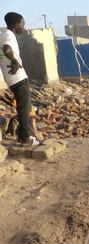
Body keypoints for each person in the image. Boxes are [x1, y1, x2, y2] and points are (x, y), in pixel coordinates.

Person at [0, 12, 39, 146]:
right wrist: (15, 61)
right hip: (17, 77)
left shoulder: (5, 35)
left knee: (24, 107)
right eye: (22, 24)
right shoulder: (7, 35)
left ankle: (22, 136)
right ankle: (24, 137)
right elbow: (6, 49)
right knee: (24, 108)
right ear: (16, 24)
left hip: (12, 77)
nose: (23, 27)